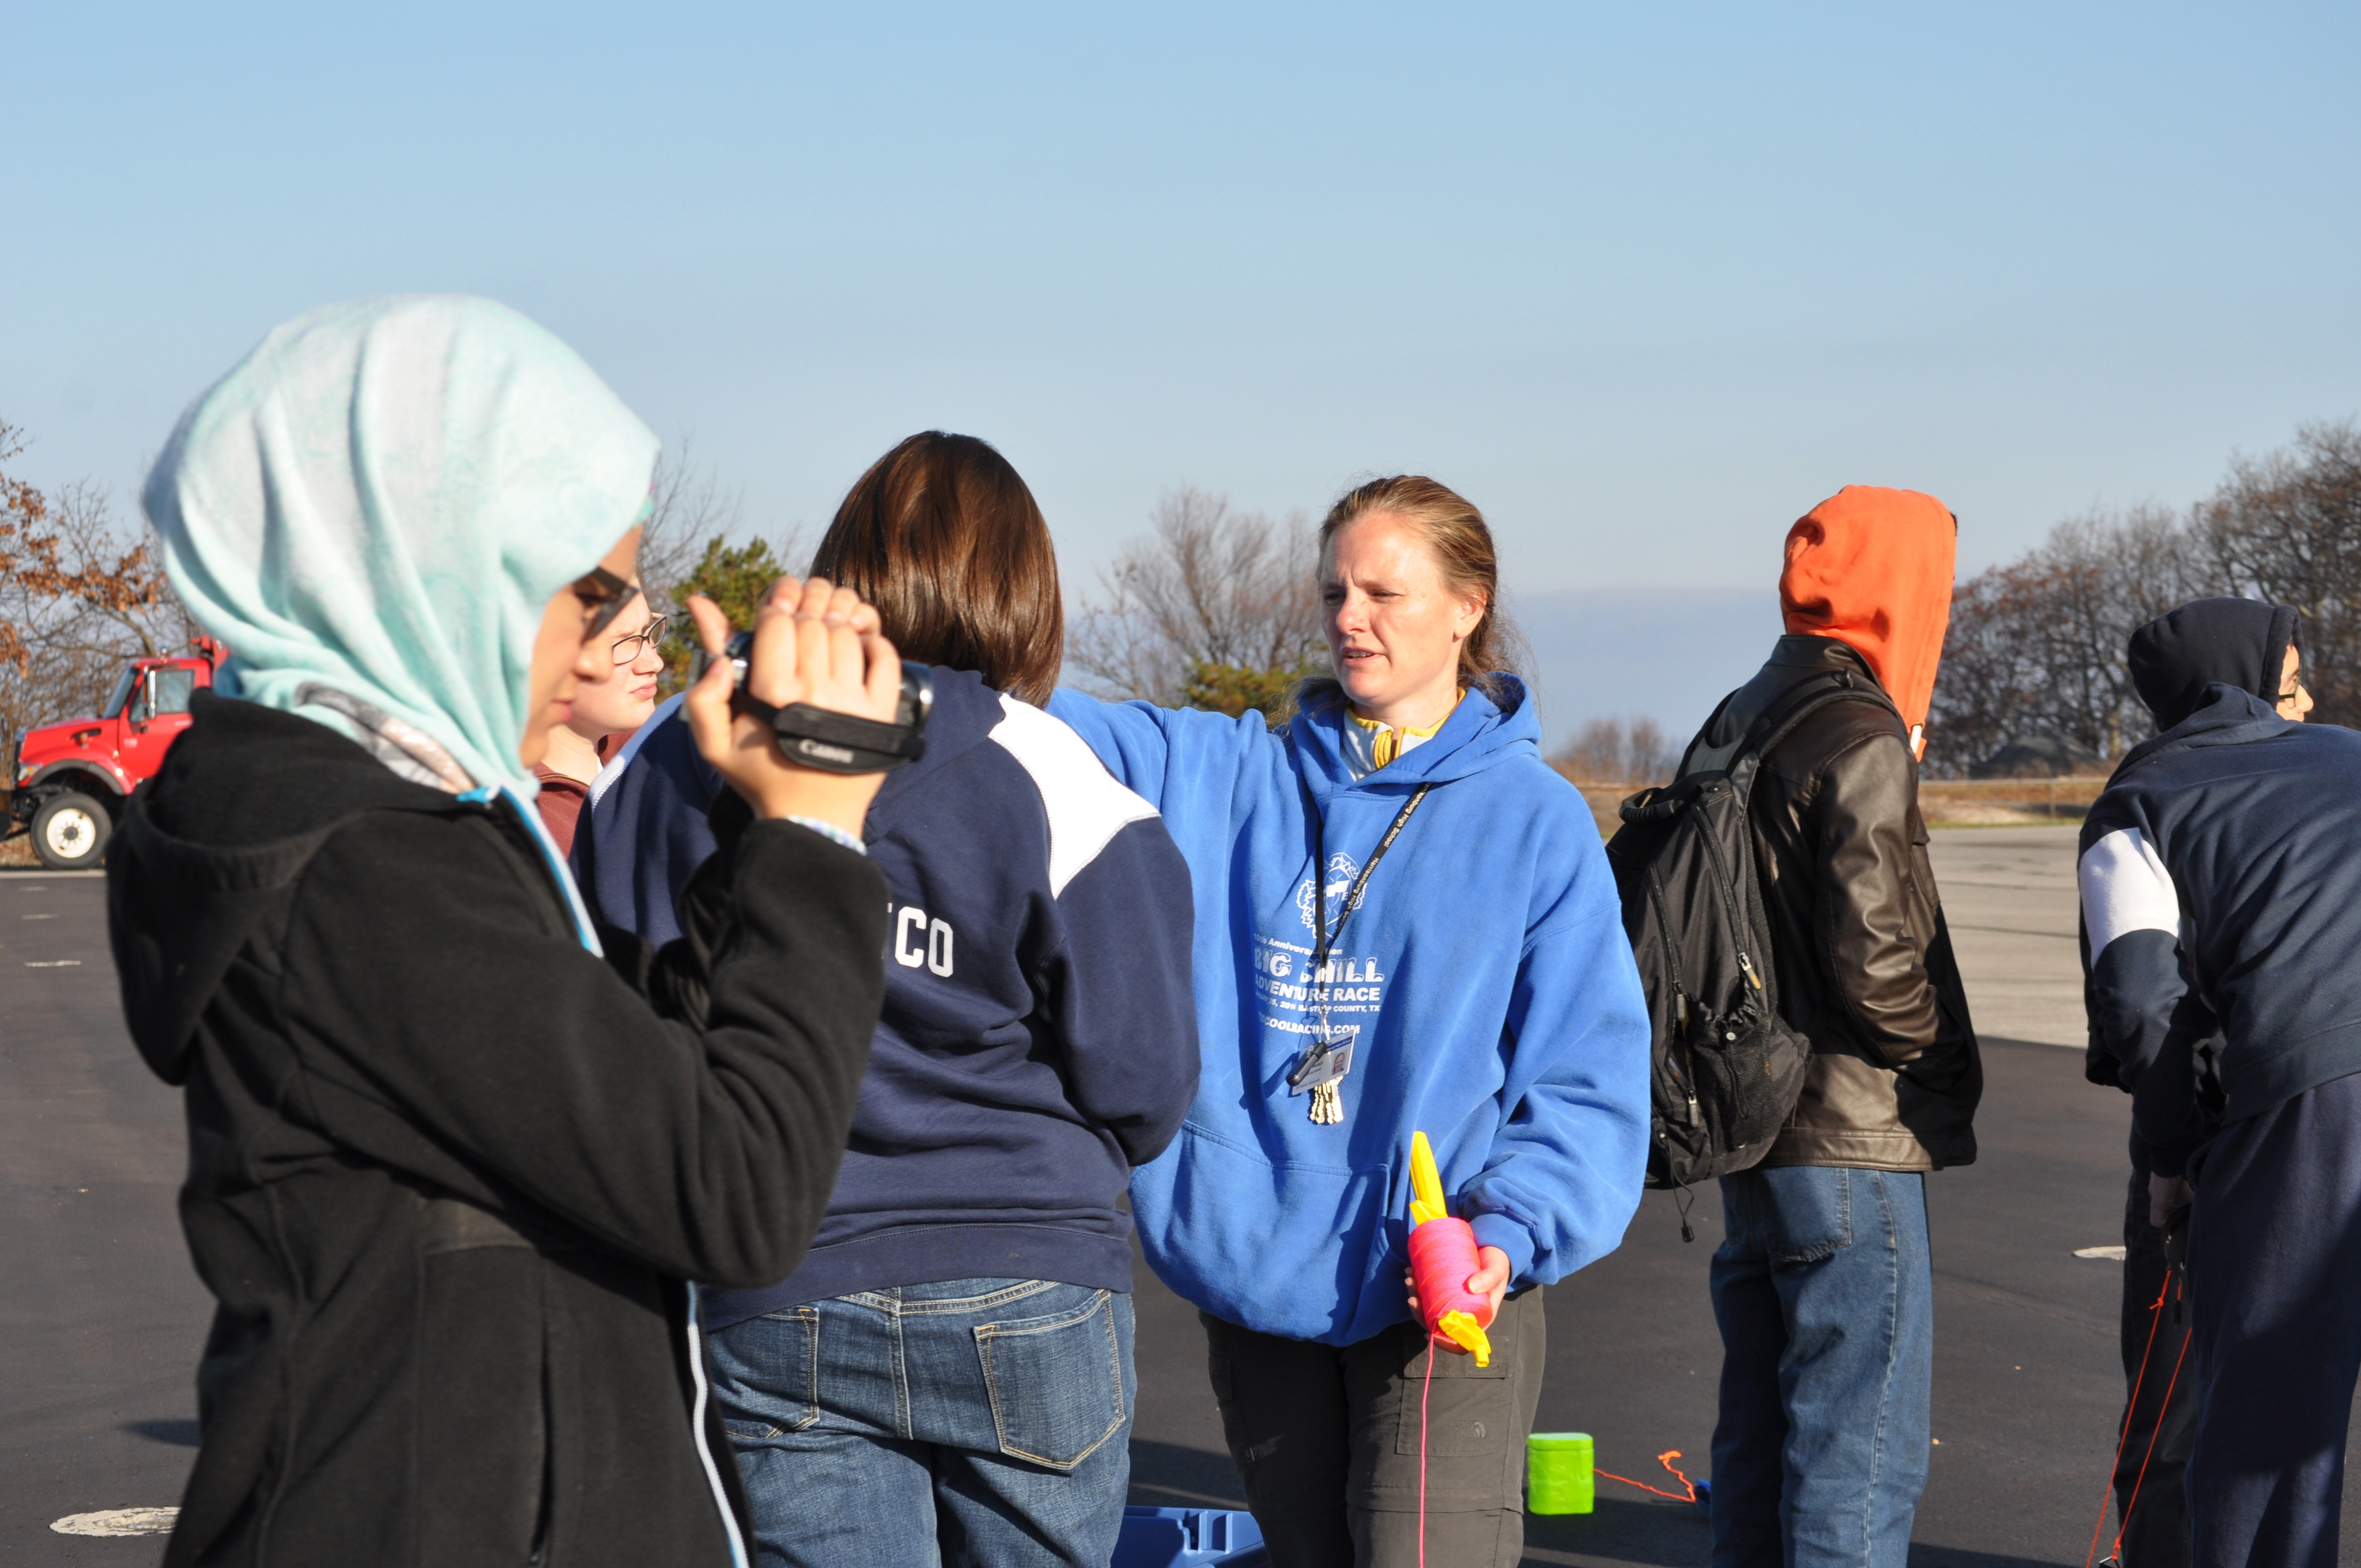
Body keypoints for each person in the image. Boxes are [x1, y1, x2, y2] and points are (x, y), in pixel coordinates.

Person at [110, 295, 908, 1568]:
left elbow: (648, 1090)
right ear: (421, 565)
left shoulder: (398, 826)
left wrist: (753, 822)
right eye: (585, 594)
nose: (604, 645)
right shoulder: (359, 866)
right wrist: (813, 834)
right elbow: (730, 1186)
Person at [578, 431, 1202, 1568]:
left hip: (778, 1264)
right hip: (1025, 1265)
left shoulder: (676, 747)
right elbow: (1145, 1076)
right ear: (1021, 593)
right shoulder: (1050, 771)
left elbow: (608, 998)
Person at [1048, 475, 1652, 1568]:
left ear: (1466, 606)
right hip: (1256, 1268)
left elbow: (1586, 1081)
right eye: (1334, 591)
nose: (1348, 617)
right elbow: (1028, 708)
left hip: (1441, 1285)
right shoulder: (1231, 771)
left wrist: (1504, 1233)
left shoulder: (1535, 820)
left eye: (1383, 592)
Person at [1698, 486, 1982, 1568]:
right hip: (1848, 1132)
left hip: (1751, 1123)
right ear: (1902, 589)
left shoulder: (1739, 713)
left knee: (1761, 1429)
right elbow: (1872, 958)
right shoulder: (1860, 729)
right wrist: (1928, 1046)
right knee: (1859, 1447)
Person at [2078, 598, 2341, 1568]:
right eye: (2290, 685)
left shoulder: (2143, 800)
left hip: (2265, 1114)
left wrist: (2167, 1157)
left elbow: (2137, 1000)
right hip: (2264, 1107)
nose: (2304, 705)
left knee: (2236, 1416)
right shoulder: (2343, 762)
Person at [533, 591, 667, 851]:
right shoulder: (517, 820)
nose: (655, 662)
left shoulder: (663, 762)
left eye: (647, 631)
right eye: (623, 641)